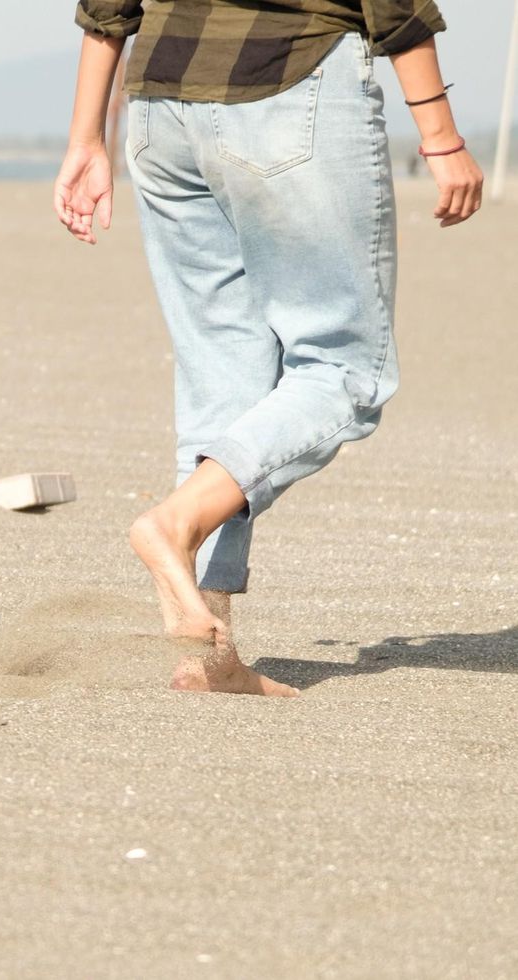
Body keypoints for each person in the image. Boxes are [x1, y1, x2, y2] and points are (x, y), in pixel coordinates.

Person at [54, 1, 483, 697]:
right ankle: (174, 523)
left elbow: (108, 7)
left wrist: (84, 139)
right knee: (346, 370)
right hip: (290, 82)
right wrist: (440, 136)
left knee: (221, 372)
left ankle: (209, 659)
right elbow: (395, 8)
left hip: (159, 101)